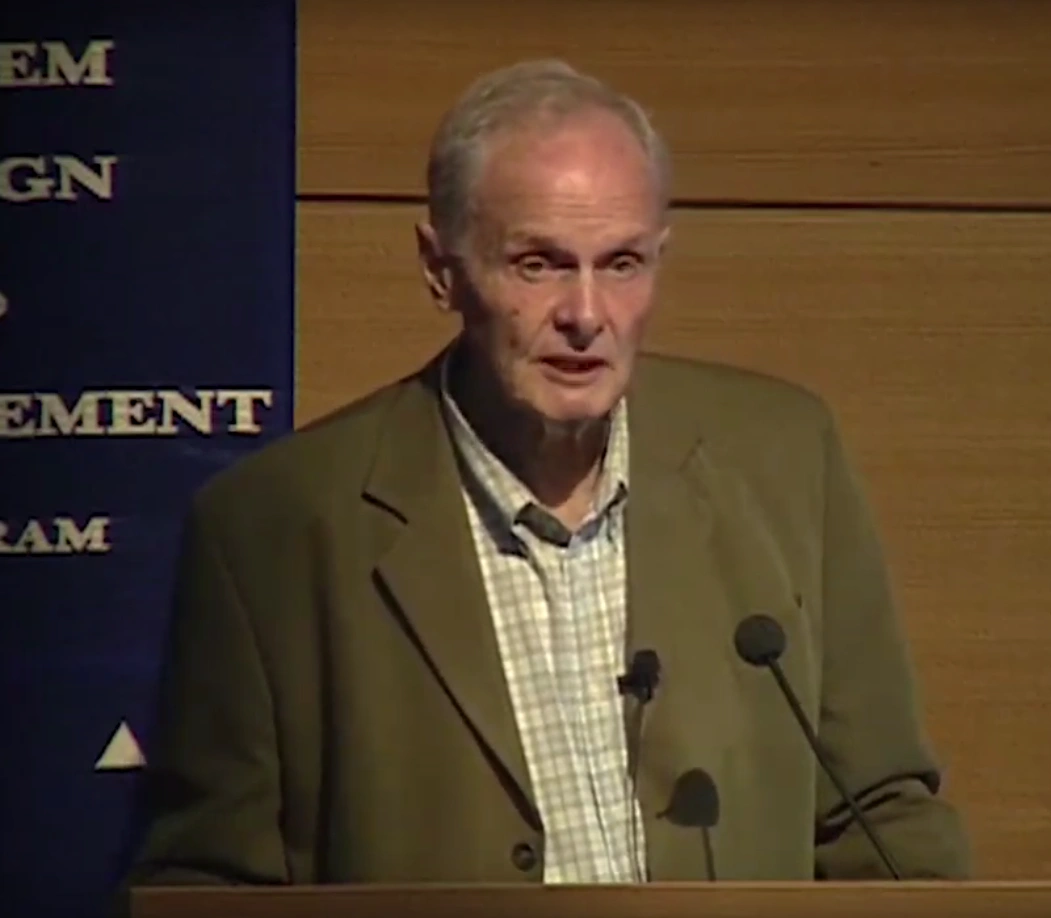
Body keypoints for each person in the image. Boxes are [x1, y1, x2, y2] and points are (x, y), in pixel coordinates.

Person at [123, 59, 970, 890]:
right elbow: (208, 884)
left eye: (622, 264)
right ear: (438, 267)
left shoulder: (785, 457)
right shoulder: (273, 526)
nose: (586, 316)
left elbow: (880, 815)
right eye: (539, 264)